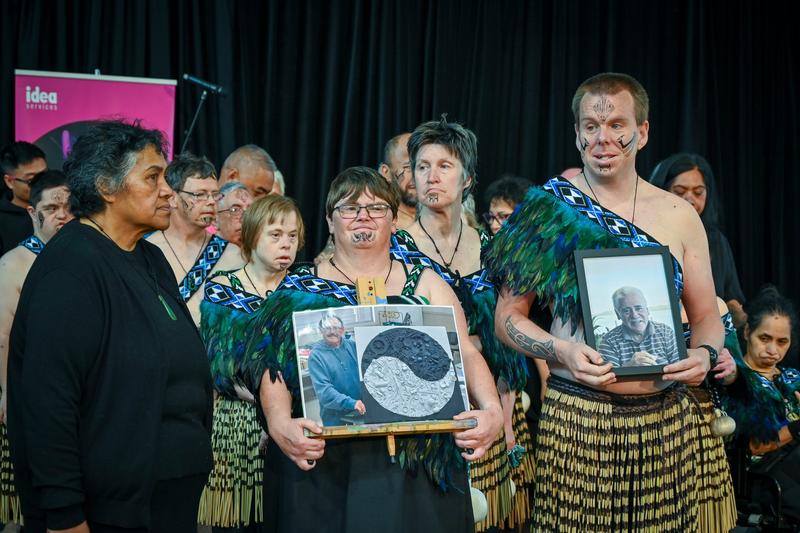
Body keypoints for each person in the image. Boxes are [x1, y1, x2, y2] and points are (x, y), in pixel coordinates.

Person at [486, 72, 730, 531]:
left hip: (664, 420)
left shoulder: (679, 215)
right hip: (578, 417)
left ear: (642, 132)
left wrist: (705, 353)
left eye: (617, 124)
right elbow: (506, 319)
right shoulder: (548, 210)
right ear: (577, 132)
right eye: (591, 126)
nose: (603, 138)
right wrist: (562, 350)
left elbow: (706, 318)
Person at [241, 167, 502, 533]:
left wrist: (491, 410)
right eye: (349, 208)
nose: (363, 215)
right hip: (326, 464)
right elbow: (270, 366)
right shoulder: (297, 288)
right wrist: (280, 422)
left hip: (417, 463)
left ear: (394, 221)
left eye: (377, 208)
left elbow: (466, 353)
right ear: (331, 223)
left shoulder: (425, 282)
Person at [6, 120, 213, 533]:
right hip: (108, 515)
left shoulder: (149, 259)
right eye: (152, 177)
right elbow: (48, 404)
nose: (168, 190)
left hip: (166, 501)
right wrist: (65, 515)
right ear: (106, 187)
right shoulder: (71, 270)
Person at [390, 118, 532, 531]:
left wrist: (503, 418)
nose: (431, 176)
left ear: (467, 177)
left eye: (444, 166)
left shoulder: (492, 249)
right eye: (422, 165)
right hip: (425, 411)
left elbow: (509, 336)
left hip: (494, 405)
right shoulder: (394, 248)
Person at [198, 195, 303, 532]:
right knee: (237, 522)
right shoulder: (223, 289)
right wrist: (265, 405)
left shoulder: (307, 289)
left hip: (295, 425)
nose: (286, 243)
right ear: (252, 235)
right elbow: (217, 368)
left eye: (292, 235)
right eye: (275, 234)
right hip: (237, 425)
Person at [0, 169, 72, 528]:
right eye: (53, 206)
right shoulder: (14, 263)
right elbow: (3, 336)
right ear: (32, 212)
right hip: (26, 391)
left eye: (68, 207)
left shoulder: (78, 257)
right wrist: (6, 393)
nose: (62, 214)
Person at [724, 286, 800, 522]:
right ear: (747, 332)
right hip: (762, 479)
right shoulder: (737, 380)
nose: (772, 350)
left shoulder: (792, 377)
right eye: (764, 338)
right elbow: (757, 446)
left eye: (782, 342)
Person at [649, 153, 747, 326]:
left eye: (698, 192)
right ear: (661, 191)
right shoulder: (645, 236)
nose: (690, 199)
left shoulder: (716, 241)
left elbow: (732, 299)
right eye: (679, 191)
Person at [147, 153, 241, 324]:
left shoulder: (233, 255)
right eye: (200, 194)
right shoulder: (146, 250)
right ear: (173, 198)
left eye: (215, 194)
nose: (211, 202)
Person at [598, 286, 679, 367]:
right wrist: (629, 366)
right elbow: (608, 377)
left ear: (647, 310)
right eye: (626, 310)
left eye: (638, 308)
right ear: (617, 314)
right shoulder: (608, 342)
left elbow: (680, 367)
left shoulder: (666, 332)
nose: (634, 315)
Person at [308, 314, 365, 426]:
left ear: (342, 330)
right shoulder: (316, 356)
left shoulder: (353, 346)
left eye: (335, 328)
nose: (332, 331)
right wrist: (351, 403)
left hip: (360, 410)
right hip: (334, 417)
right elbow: (324, 392)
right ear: (321, 330)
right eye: (327, 328)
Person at [0, 142, 47, 256]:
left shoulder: (62, 210)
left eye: (44, 176)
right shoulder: (3, 221)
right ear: (10, 181)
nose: (41, 184)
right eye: (31, 180)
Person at [378, 132, 416, 229]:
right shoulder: (379, 224)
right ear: (385, 172)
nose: (418, 175)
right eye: (408, 167)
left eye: (424, 166)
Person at [214, 181, 254, 245]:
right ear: (215, 220)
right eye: (235, 210)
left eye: (251, 210)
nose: (246, 218)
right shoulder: (207, 253)